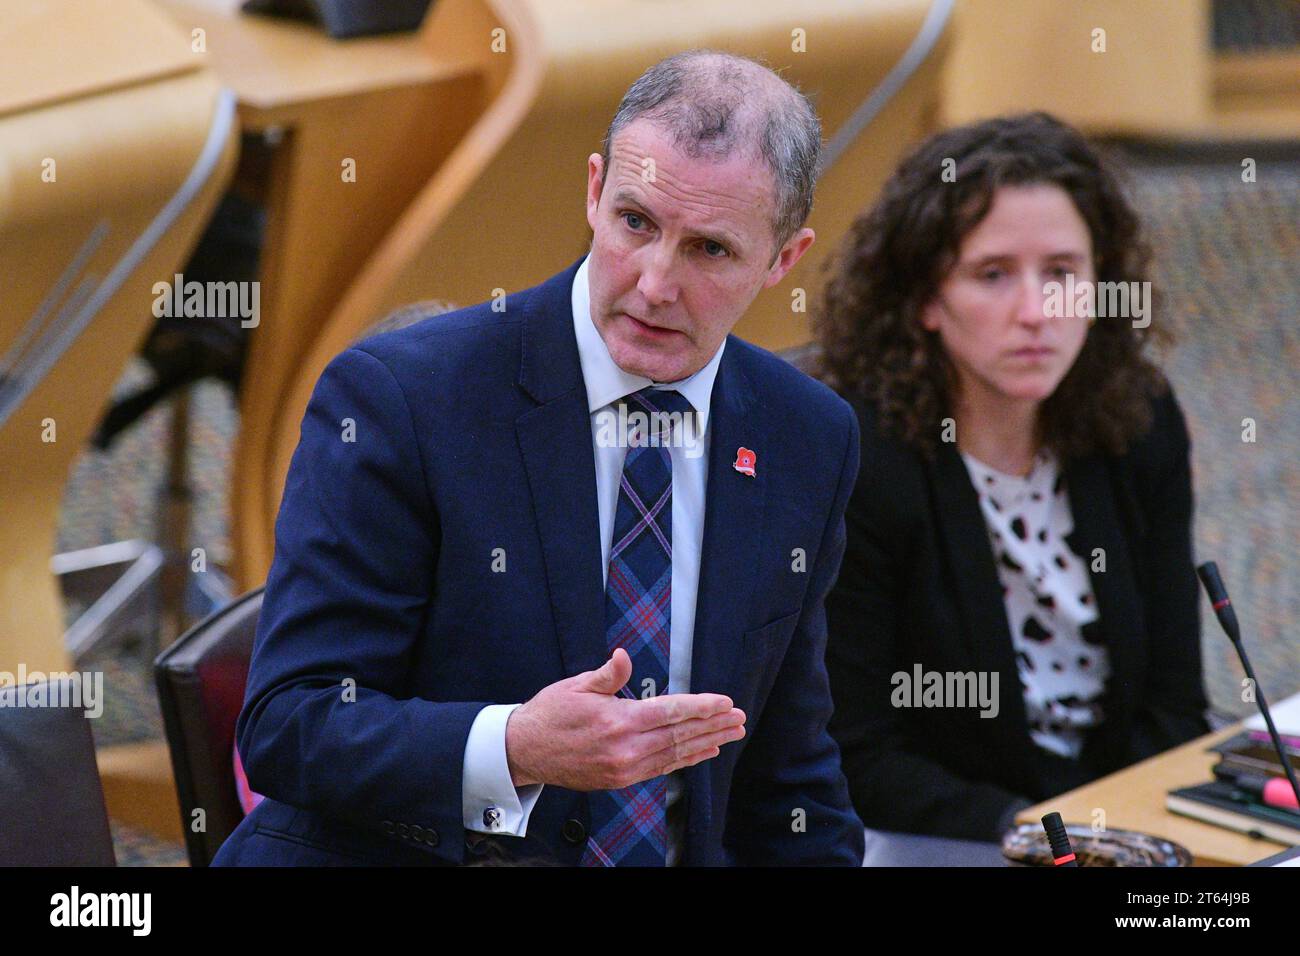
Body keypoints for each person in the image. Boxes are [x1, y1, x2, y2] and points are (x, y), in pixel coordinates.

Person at [212, 50, 865, 867]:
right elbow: (290, 723)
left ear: (783, 261)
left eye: (709, 250)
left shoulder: (807, 435)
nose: (656, 281)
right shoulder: (405, 398)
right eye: (636, 222)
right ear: (594, 191)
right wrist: (514, 746)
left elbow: (788, 775)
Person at [815, 112, 1211, 842]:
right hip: (947, 840)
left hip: (1123, 834)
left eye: (1062, 273)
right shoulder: (860, 456)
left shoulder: (1138, 419)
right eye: (992, 275)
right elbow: (857, 754)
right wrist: (1043, 839)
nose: (1036, 313)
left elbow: (1175, 707)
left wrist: (1121, 840)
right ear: (925, 299)